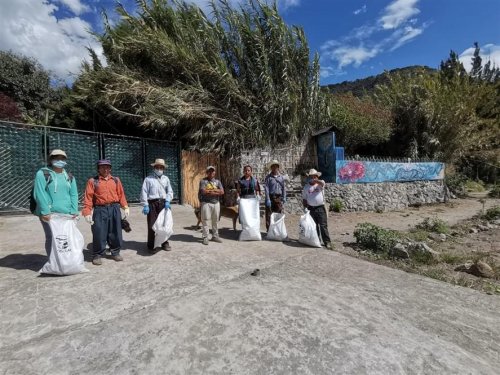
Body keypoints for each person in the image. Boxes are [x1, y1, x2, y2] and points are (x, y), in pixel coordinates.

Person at [82, 159, 129, 265]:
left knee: (116, 231)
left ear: (110, 168)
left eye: (107, 167)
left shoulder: (116, 180)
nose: (105, 169)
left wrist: (125, 207)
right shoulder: (92, 181)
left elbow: (121, 195)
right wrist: (87, 212)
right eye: (102, 167)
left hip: (114, 208)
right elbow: (88, 198)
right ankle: (97, 254)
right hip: (100, 209)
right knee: (99, 231)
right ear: (98, 168)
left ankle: (115, 252)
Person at [33, 149, 79, 257]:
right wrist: (45, 212)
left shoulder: (69, 176)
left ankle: (66, 262)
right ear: (51, 159)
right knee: (52, 237)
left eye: (62, 158)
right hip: (50, 214)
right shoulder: (43, 173)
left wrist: (74, 210)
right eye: (56, 158)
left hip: (67, 213)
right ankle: (53, 263)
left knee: (66, 238)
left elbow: (74, 194)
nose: (60, 160)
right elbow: (40, 193)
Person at [140, 158, 174, 254]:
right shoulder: (148, 179)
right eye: (157, 167)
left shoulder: (166, 179)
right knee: (152, 225)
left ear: (163, 169)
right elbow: (144, 192)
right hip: (152, 204)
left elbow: (170, 191)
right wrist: (145, 205)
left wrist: (168, 200)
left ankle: (164, 243)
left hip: (163, 204)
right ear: (154, 167)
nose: (159, 169)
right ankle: (151, 245)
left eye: (161, 167)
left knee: (164, 224)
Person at [302, 168, 333, 250]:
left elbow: (322, 183)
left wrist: (316, 181)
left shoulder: (320, 184)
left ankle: (327, 242)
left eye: (315, 176)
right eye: (311, 176)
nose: (313, 178)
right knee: (314, 226)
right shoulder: (306, 187)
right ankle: (317, 240)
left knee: (323, 225)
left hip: (320, 207)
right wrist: (305, 208)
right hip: (311, 208)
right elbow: (304, 199)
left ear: (317, 176)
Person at [198, 166, 224, 245]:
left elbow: (222, 192)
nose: (211, 173)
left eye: (213, 171)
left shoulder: (218, 181)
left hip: (216, 203)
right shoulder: (203, 181)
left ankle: (215, 236)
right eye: (209, 171)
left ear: (214, 172)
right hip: (206, 203)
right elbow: (203, 191)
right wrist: (216, 191)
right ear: (207, 172)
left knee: (215, 220)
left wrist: (210, 191)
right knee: (205, 220)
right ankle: (205, 237)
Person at [263, 160, 286, 231]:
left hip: (278, 197)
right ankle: (269, 230)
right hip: (270, 197)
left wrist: (284, 197)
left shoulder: (281, 177)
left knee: (278, 213)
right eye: (273, 166)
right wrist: (267, 199)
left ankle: (277, 230)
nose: (274, 168)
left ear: (278, 167)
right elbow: (266, 188)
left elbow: (283, 188)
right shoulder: (268, 177)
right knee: (269, 214)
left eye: (276, 166)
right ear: (271, 168)